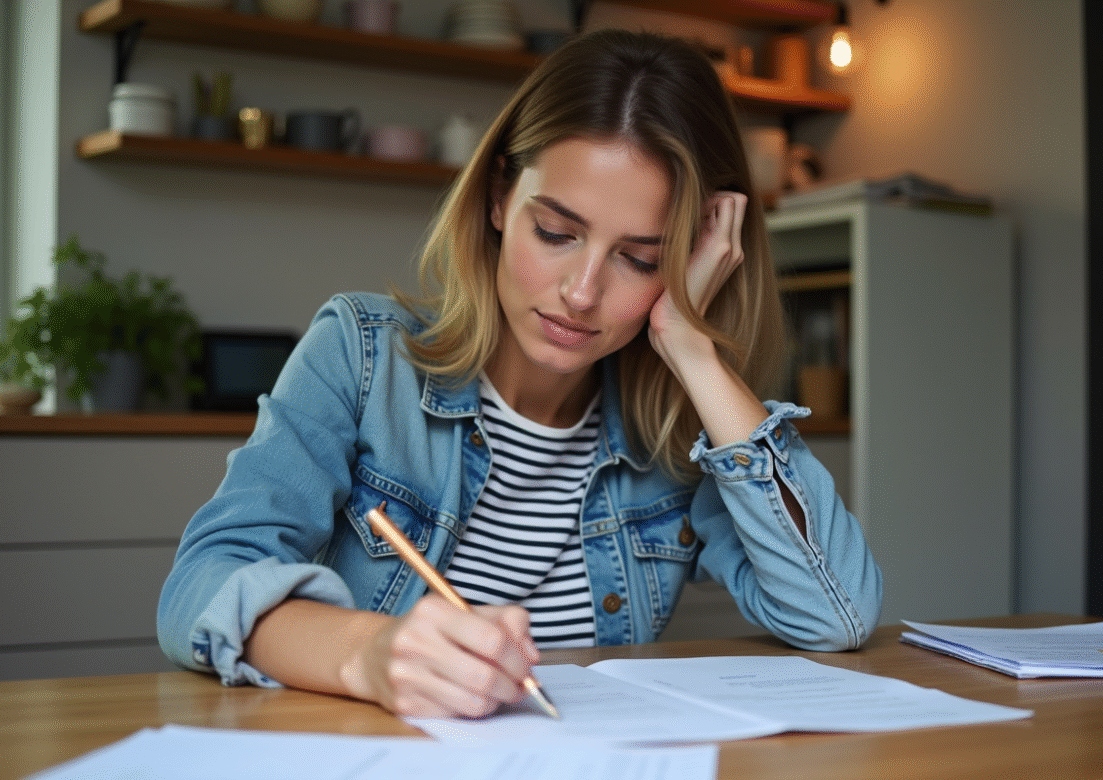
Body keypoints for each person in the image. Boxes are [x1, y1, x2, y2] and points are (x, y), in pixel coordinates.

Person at [158, 28, 882, 720]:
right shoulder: (363, 355)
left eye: (641, 258)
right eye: (557, 233)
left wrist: (693, 346)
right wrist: (369, 656)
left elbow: (836, 614)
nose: (582, 292)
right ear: (501, 196)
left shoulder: (675, 427)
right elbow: (199, 587)